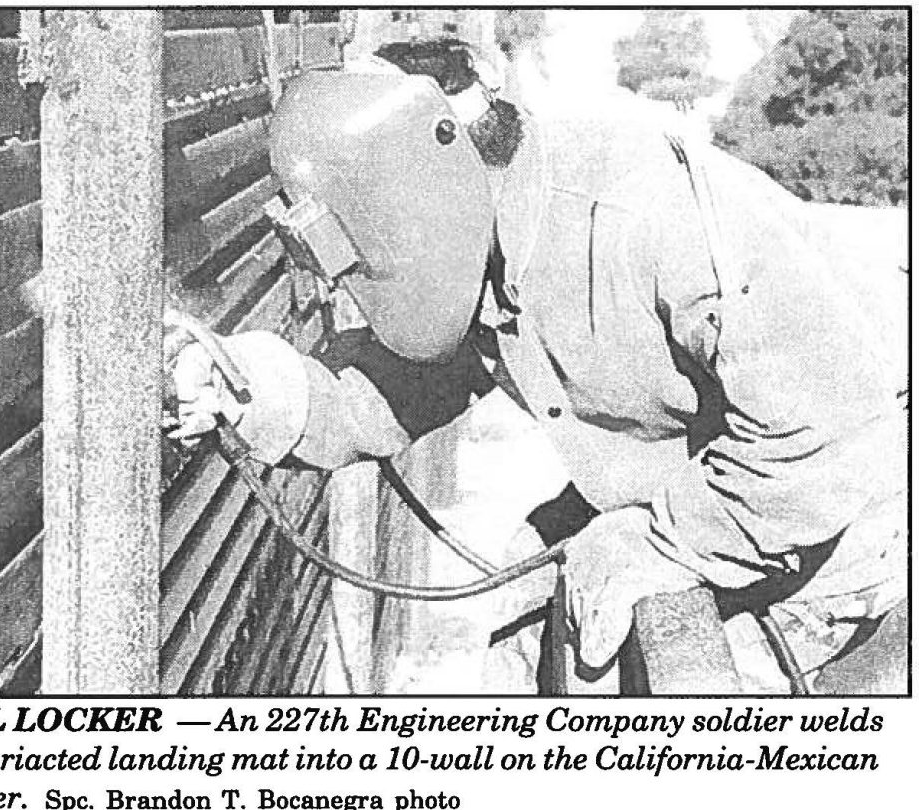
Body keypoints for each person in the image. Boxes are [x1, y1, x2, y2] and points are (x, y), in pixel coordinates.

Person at [170, 40, 908, 693]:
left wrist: (658, 543)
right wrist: (243, 390)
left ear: (428, 177)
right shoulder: (478, 242)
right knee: (529, 633)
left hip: (827, 529)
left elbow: (827, 432)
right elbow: (398, 382)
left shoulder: (642, 212)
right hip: (682, 495)